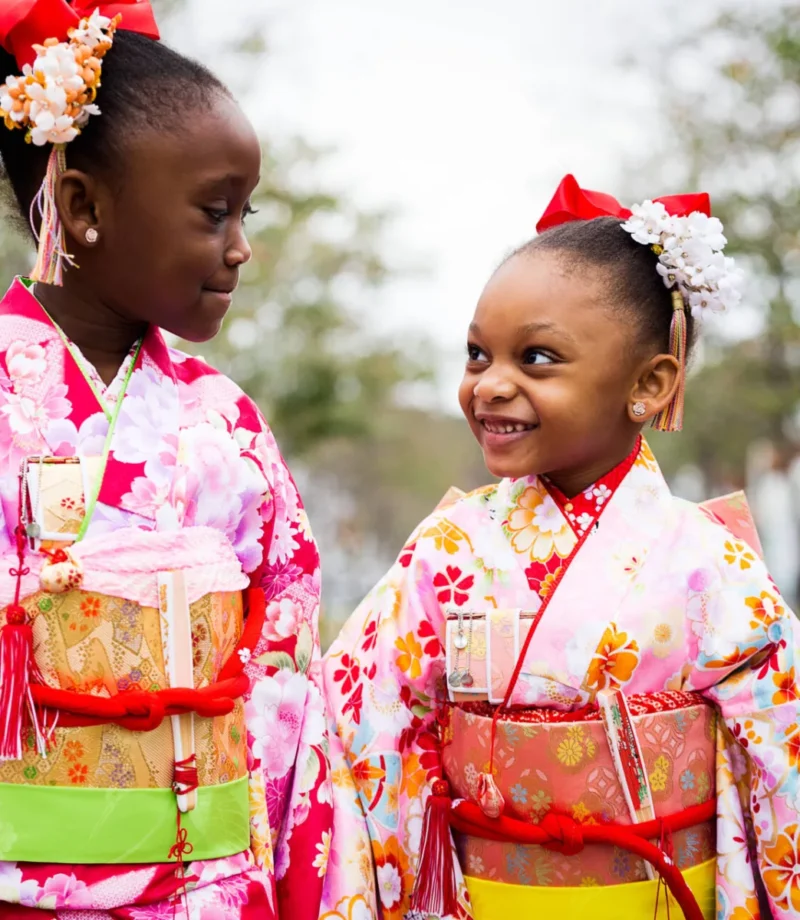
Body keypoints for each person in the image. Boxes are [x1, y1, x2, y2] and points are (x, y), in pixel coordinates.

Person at [323, 174, 800, 919]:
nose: (490, 385)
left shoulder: (710, 564)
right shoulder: (448, 550)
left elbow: (780, 763)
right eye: (479, 355)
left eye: (536, 358)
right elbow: (361, 730)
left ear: (649, 383)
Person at [0, 1, 333, 916]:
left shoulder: (225, 422)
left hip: (209, 887)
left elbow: (286, 659)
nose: (241, 246)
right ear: (83, 206)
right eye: (213, 211)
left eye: (244, 212)